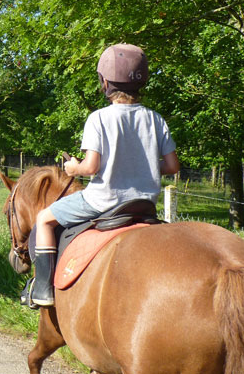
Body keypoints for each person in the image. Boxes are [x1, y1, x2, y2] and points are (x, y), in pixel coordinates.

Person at [28, 43, 180, 307]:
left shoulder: (99, 118)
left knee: (43, 219)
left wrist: (73, 168)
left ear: (105, 81)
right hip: (145, 204)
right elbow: (172, 166)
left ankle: (42, 289)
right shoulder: (156, 119)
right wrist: (143, 166)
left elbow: (90, 168)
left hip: (103, 202)